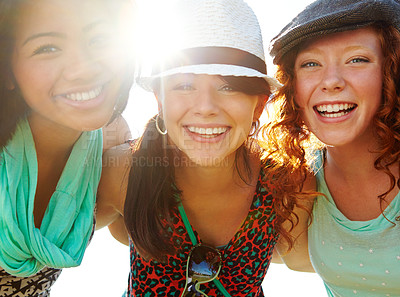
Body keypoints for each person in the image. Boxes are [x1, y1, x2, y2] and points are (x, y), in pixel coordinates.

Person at [96, 0, 314, 296]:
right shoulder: (123, 171)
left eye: (228, 86)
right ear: (160, 102)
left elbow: (315, 263)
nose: (206, 108)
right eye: (184, 86)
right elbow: (46, 240)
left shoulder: (288, 185)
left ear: (259, 104)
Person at [0, 0, 134, 295]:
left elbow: (141, 234)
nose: (83, 69)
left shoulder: (114, 143)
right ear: (8, 70)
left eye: (99, 39)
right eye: (47, 48)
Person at [266, 0, 400, 296]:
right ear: (293, 89)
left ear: (391, 72)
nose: (331, 82)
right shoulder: (300, 180)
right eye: (311, 64)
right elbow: (296, 260)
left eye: (357, 60)